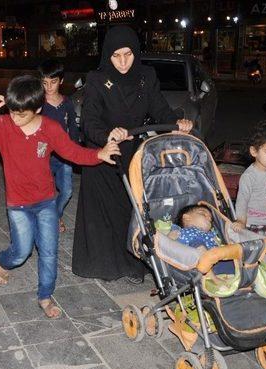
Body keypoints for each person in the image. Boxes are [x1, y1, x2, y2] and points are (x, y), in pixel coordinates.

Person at [0, 75, 121, 318]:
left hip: (46, 202)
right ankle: (1, 262)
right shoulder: (3, 125)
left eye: (22, 114)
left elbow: (73, 152)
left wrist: (99, 154)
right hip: (17, 205)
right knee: (21, 251)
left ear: (37, 108)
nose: (15, 118)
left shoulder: (50, 128)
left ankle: (45, 296)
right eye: (12, 111)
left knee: (49, 252)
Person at [72, 25, 193, 283]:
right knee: (106, 214)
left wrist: (176, 123)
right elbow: (89, 120)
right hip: (106, 152)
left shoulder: (146, 76)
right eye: (117, 56)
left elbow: (160, 109)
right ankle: (105, 265)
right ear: (108, 55)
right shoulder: (96, 79)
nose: (124, 61)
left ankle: (133, 263)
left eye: (128, 54)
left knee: (133, 210)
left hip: (134, 155)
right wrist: (107, 134)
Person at [38, 59, 80, 233]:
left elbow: (73, 128)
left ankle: (56, 215)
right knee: (44, 192)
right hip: (43, 156)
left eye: (53, 82)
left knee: (67, 191)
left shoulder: (67, 103)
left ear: (61, 81)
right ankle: (48, 219)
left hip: (64, 155)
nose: (49, 87)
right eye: (45, 83)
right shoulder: (37, 104)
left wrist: (75, 150)